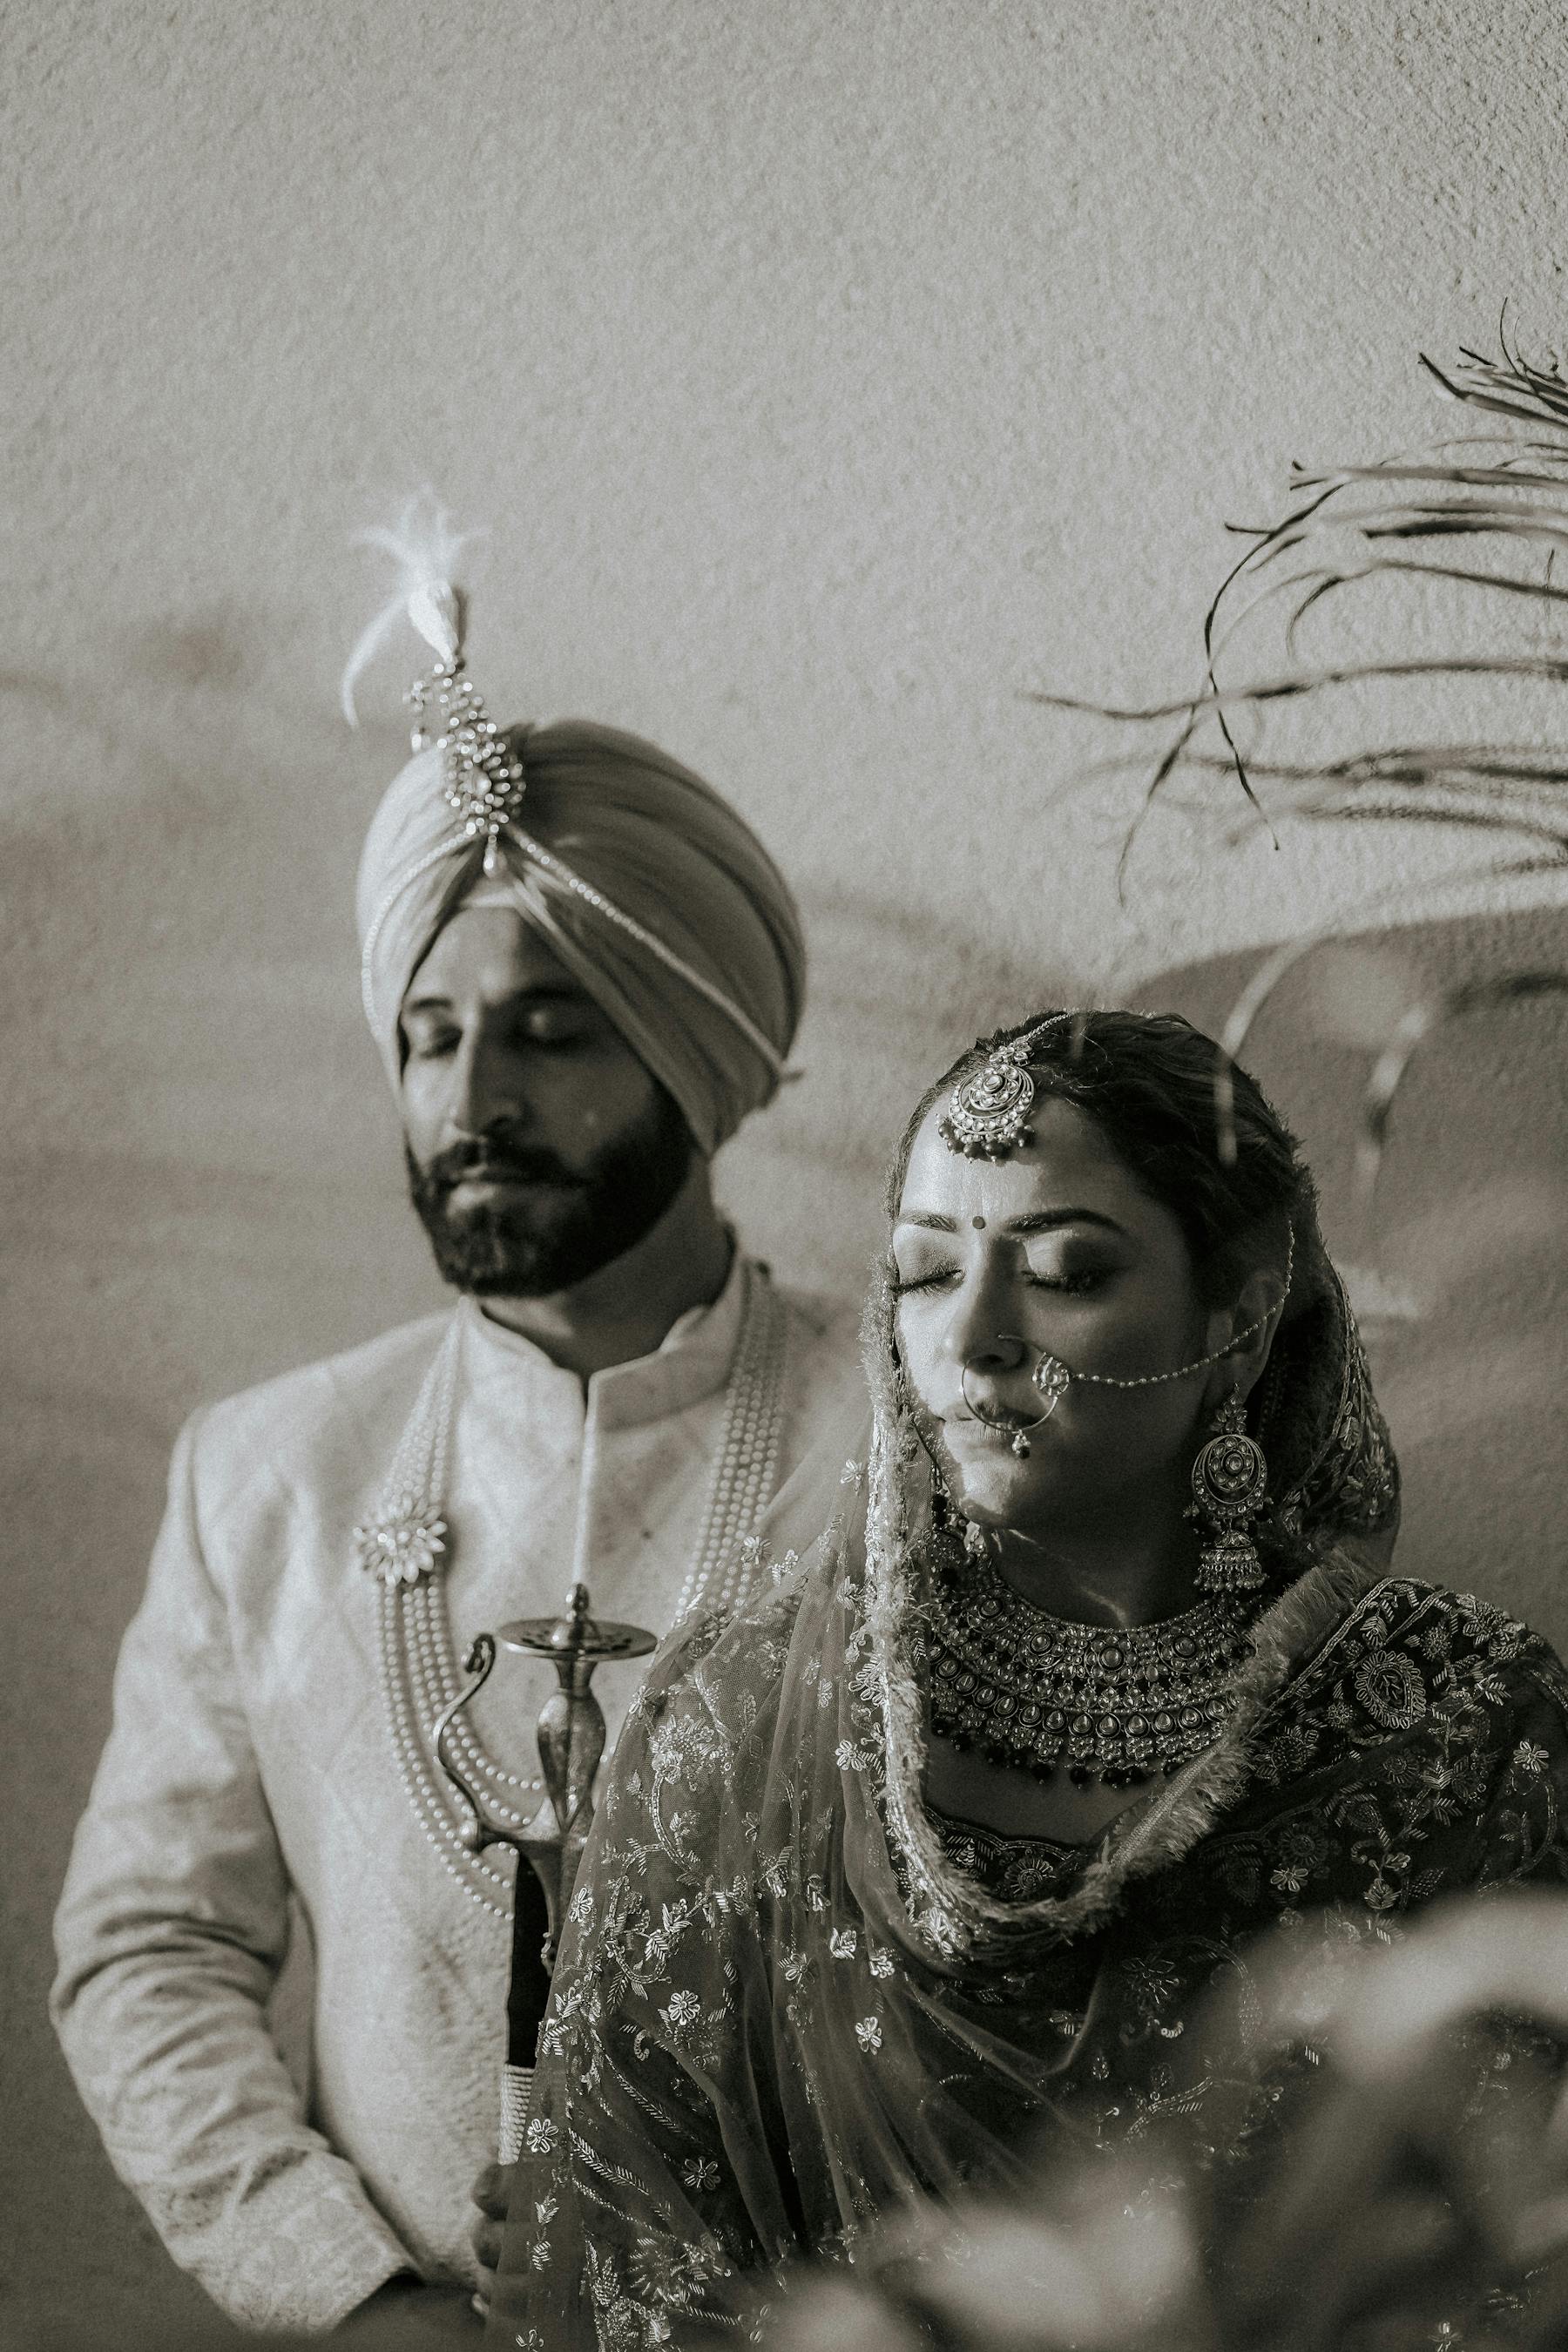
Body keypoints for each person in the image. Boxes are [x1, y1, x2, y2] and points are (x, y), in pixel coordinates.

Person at [51, 522, 859, 2336]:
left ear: (698, 1052)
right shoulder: (268, 1474)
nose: (469, 1100)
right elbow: (150, 1953)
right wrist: (353, 2297)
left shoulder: (906, 1432)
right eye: (428, 1037)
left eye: (550, 1030)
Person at [486, 1008, 1568, 2349]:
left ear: (1237, 1321)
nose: (978, 1337)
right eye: (928, 1274)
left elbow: (1510, 2252)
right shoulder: (740, 1716)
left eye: (1063, 1271)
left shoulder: (1468, 1733)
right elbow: (620, 2250)